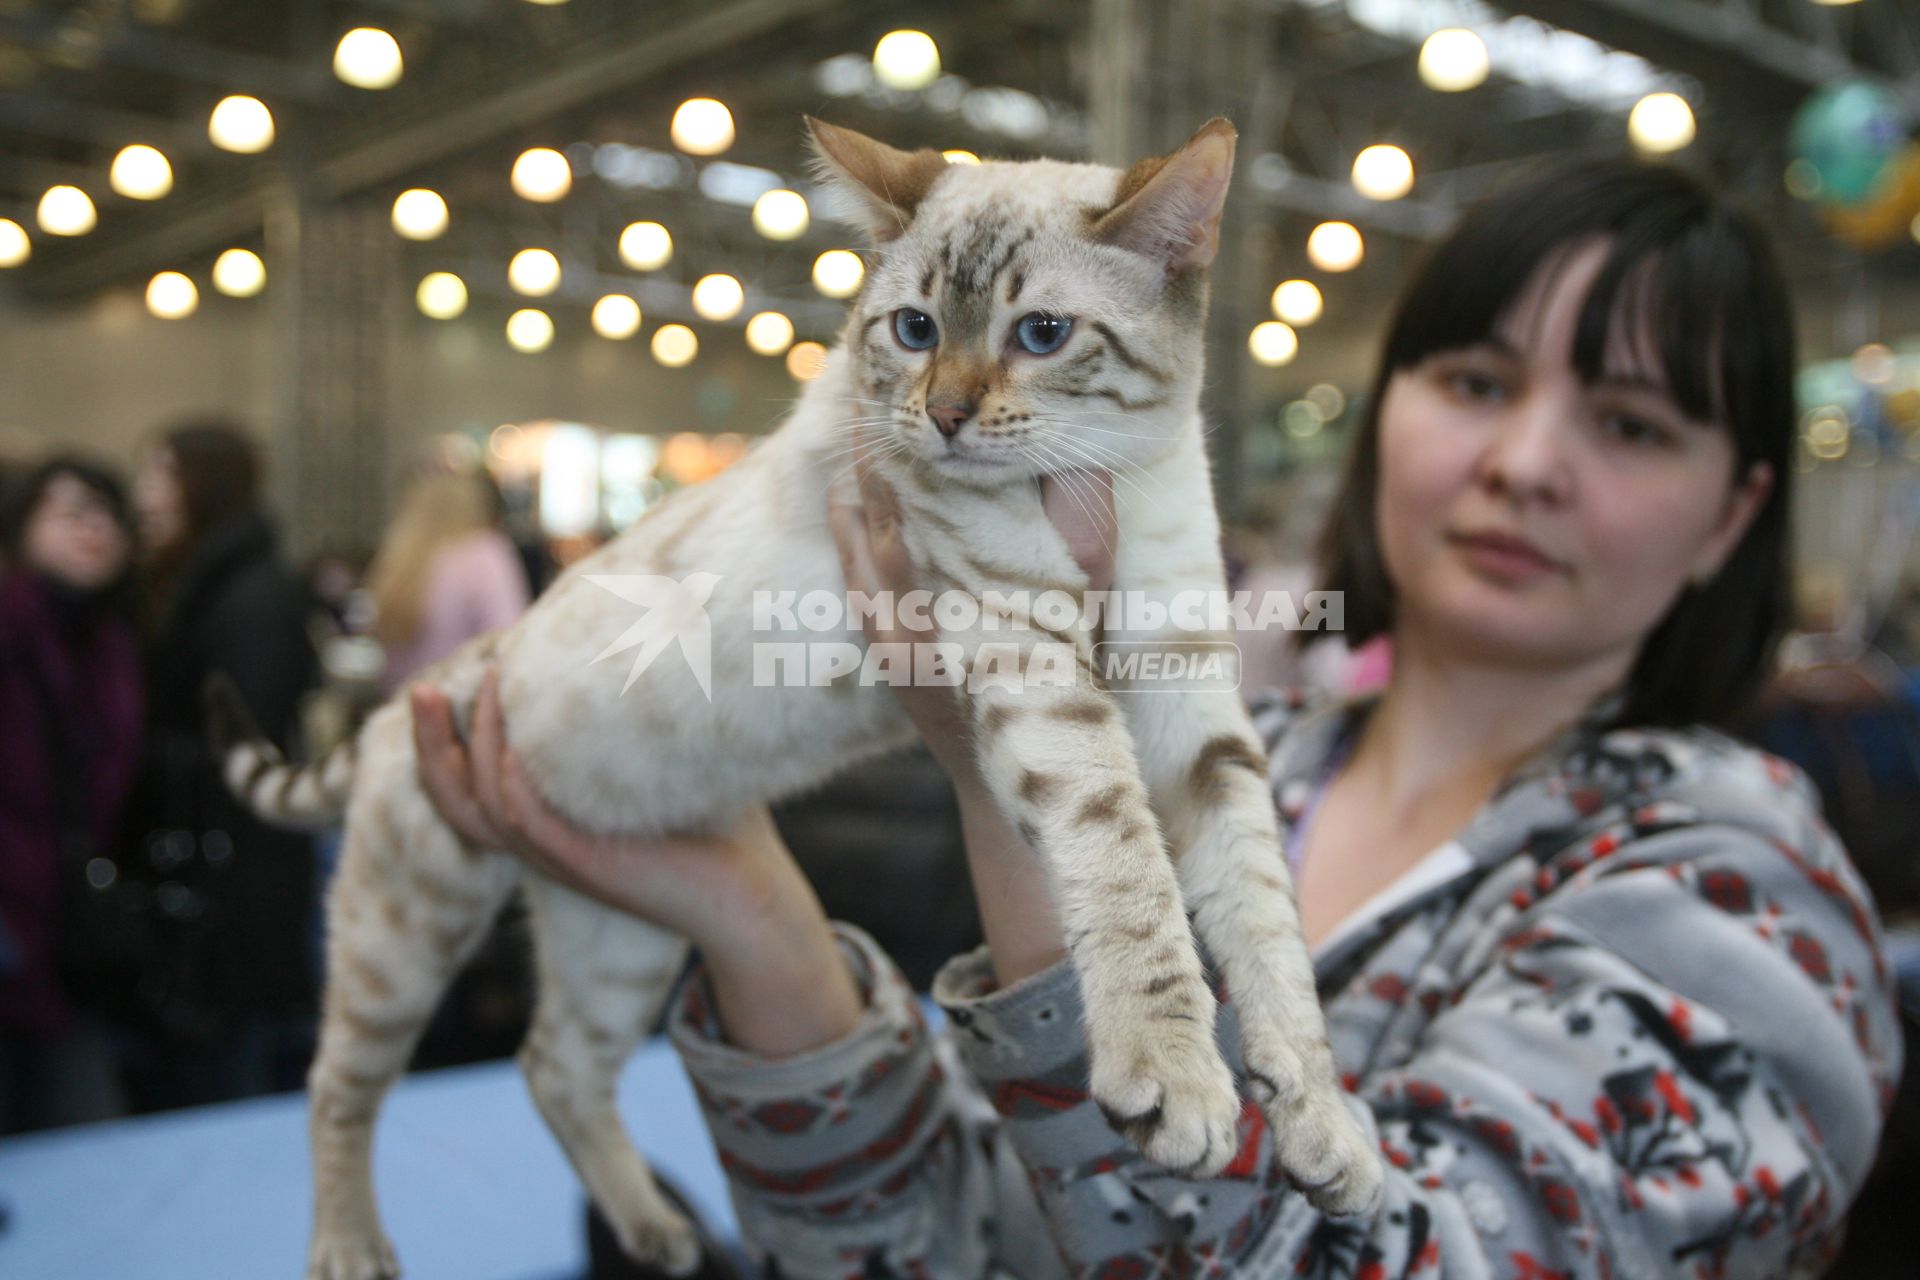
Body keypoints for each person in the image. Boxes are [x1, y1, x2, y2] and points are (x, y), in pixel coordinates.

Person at [407, 160, 1903, 1278]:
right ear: (1388, 414)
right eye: (1473, 378)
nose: (1524, 461)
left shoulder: (1739, 899)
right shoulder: (1268, 762)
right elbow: (956, 1245)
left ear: (1734, 516)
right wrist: (754, 921)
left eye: (1630, 423)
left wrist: (1006, 770)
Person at [125, 420, 321, 1108]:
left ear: (198, 485)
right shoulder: (197, 579)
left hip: (235, 875)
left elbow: (246, 746)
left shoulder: (249, 595)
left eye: (160, 475)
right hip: (216, 867)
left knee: (231, 1075)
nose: (146, 494)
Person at [0, 455, 143, 1132]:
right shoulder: (14, 627)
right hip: (15, 921)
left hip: (71, 938)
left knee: (84, 1139)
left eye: (107, 513)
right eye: (69, 511)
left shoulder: (110, 640)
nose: (94, 529)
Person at [367, 464, 530, 695]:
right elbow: (509, 641)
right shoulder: (484, 553)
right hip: (459, 714)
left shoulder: (397, 562)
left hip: (401, 712)